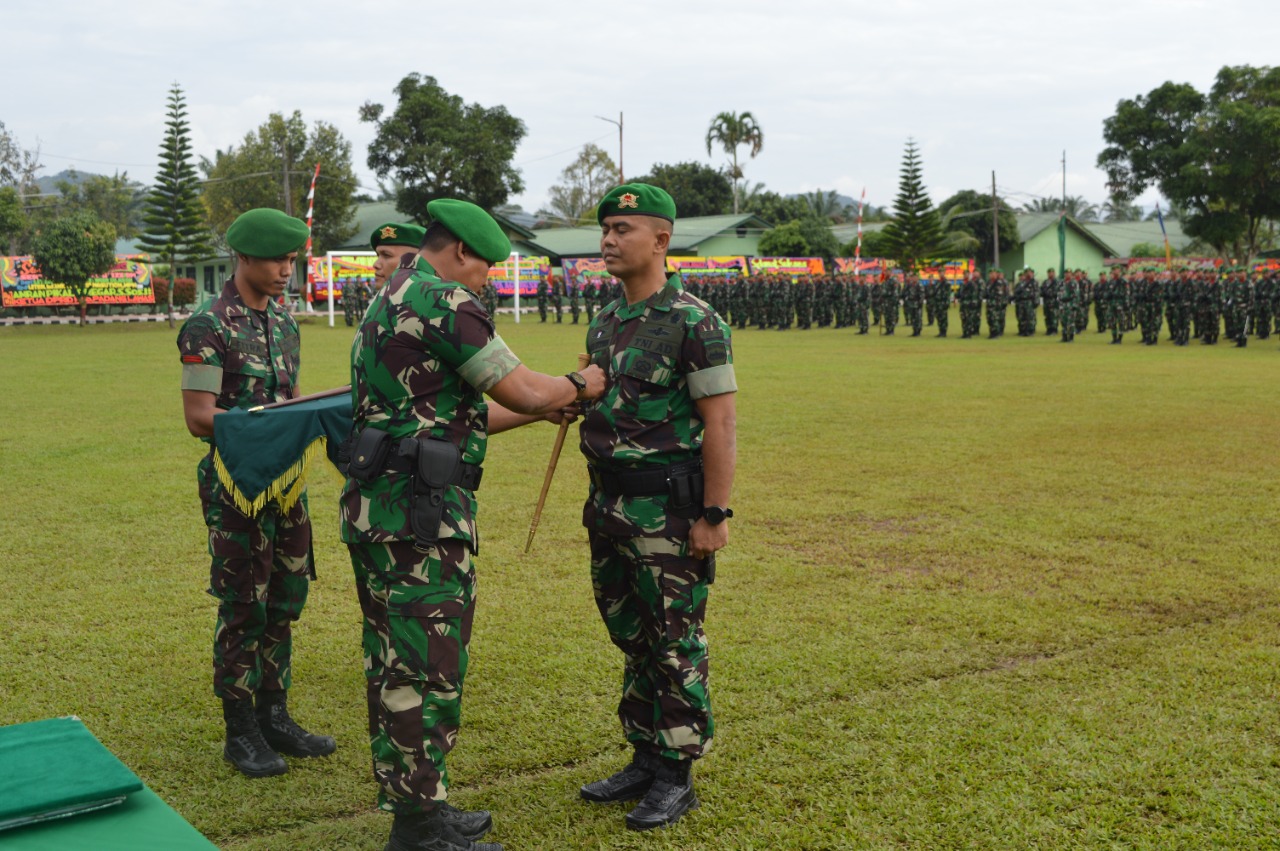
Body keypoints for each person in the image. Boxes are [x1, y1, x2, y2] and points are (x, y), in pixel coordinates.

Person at [342, 199, 604, 851]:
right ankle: (420, 829)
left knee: (397, 662)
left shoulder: (394, 292)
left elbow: (457, 415)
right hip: (421, 520)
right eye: (486, 267)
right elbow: (523, 388)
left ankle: (421, 805)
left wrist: (544, 410)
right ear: (459, 251)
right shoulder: (444, 300)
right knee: (427, 667)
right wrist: (582, 382)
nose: (487, 280)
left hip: (382, 511)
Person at [576, 183, 737, 832]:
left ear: (661, 240)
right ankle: (644, 756)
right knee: (633, 637)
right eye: (605, 229)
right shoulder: (606, 320)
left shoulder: (696, 321)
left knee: (674, 643)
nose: (608, 240)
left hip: (668, 515)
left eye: (623, 228)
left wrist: (714, 515)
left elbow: (720, 425)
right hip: (608, 507)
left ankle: (676, 775)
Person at [177, 208, 336, 779]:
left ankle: (276, 715)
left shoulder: (285, 322)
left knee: (286, 599)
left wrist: (306, 415)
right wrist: (263, 424)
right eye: (276, 259)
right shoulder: (208, 325)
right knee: (245, 602)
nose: (285, 270)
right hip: (236, 485)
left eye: (291, 260)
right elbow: (200, 418)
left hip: (286, 483)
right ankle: (240, 730)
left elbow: (287, 399)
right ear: (242, 257)